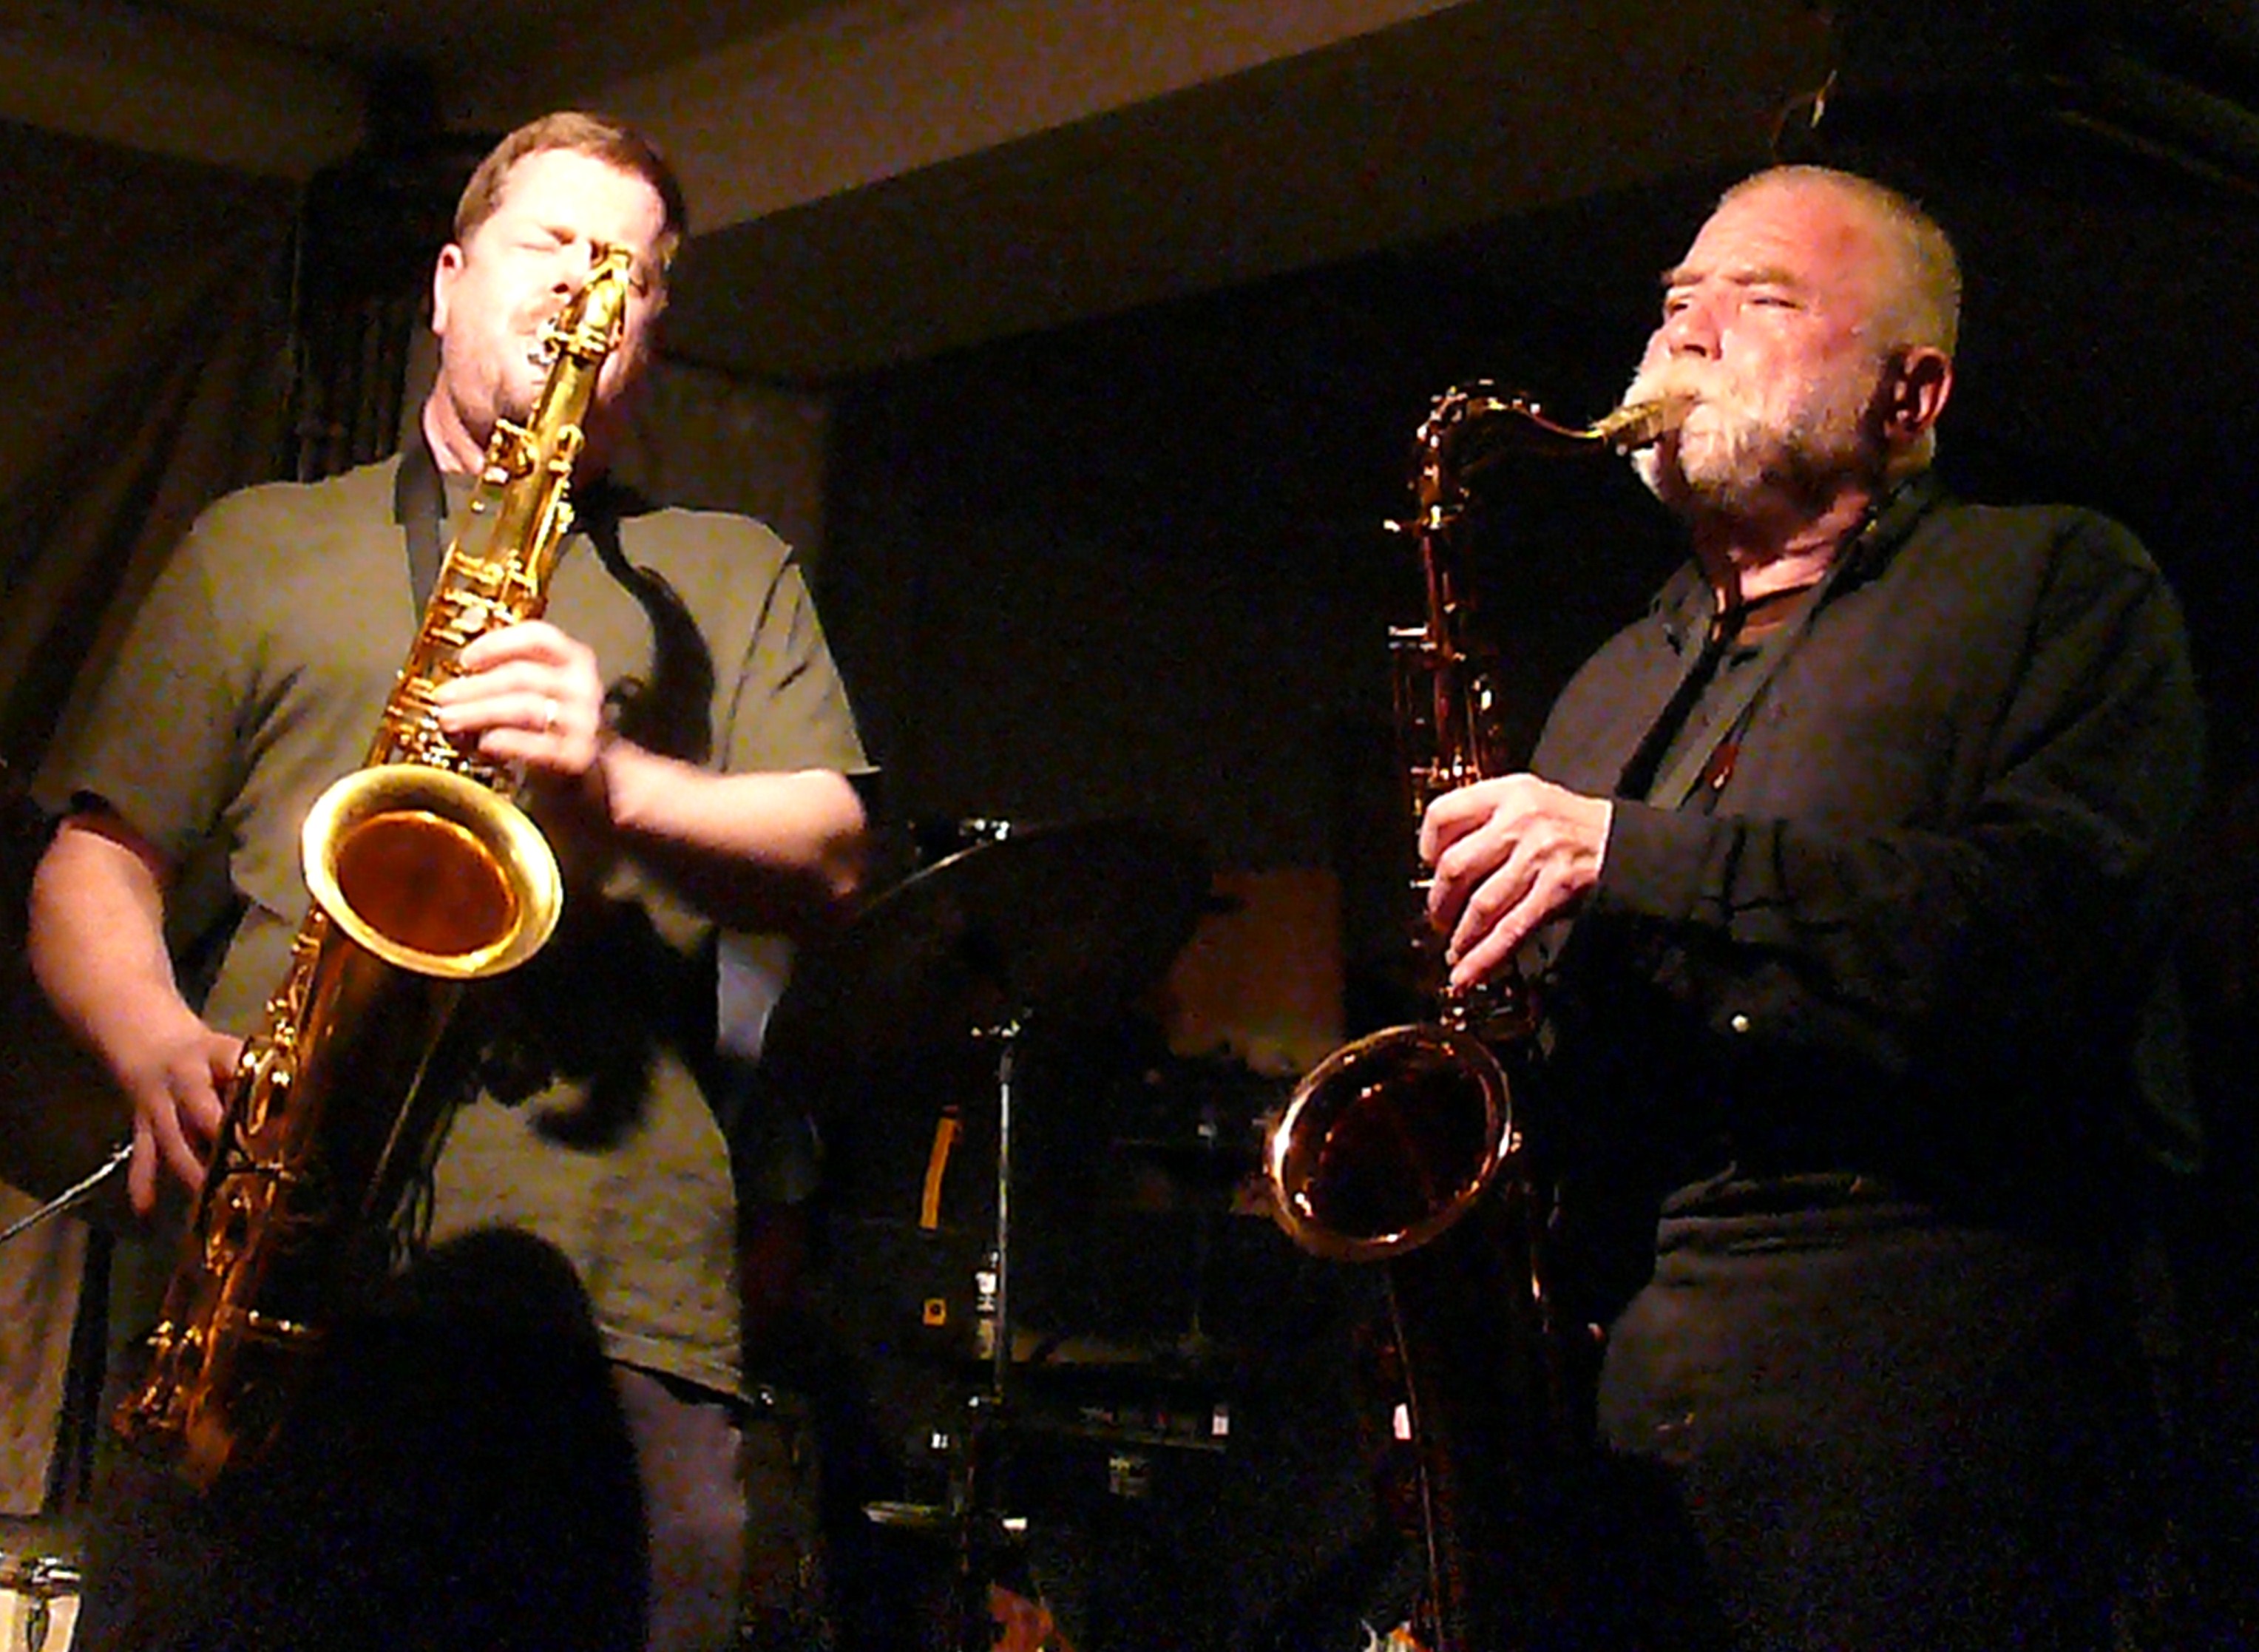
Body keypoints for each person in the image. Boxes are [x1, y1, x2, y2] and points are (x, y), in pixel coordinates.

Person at [27, 111, 872, 1651]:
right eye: (551, 244)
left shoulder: (727, 568)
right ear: (445, 281)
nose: (584, 291)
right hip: (269, 1272)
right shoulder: (260, 545)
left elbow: (827, 848)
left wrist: (613, 785)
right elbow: (97, 860)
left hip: (611, 1302)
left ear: (649, 340)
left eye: (629, 272)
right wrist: (150, 1038)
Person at [1418, 165, 2203, 1649]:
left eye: (1758, 300)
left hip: (1929, 1400)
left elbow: (2053, 923)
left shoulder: (2051, 584)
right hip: (1619, 1401)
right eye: (1671, 302)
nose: (1682, 336)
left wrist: (1634, 858)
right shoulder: (1607, 683)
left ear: (1910, 395)